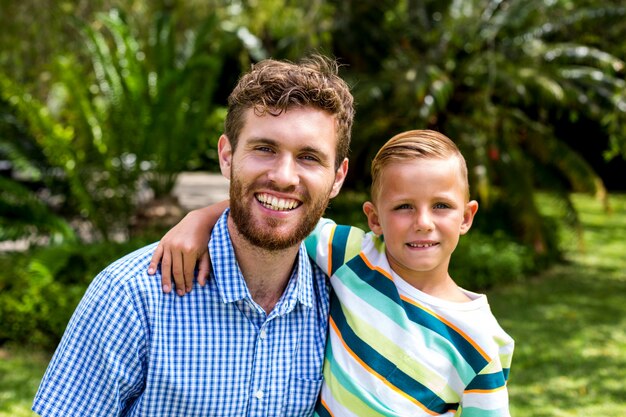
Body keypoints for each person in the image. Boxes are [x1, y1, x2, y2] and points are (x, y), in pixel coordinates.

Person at [32, 54, 355, 416]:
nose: (283, 176)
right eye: (265, 149)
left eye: (309, 157)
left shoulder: (345, 300)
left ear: (338, 178)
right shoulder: (132, 296)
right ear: (226, 156)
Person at [149, 129, 515, 416]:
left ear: (466, 217)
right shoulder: (352, 256)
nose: (423, 223)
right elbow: (276, 213)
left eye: (441, 206)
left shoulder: (481, 343)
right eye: (403, 207)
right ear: (374, 218)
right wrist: (199, 219)